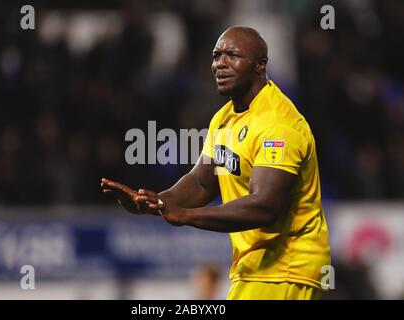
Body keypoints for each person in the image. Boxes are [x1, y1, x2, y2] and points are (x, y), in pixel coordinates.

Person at [101, 26, 331, 300]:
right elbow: (201, 181)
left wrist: (186, 216)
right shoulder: (223, 119)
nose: (219, 63)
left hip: (286, 268)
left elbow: (265, 206)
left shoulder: (279, 124)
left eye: (232, 55)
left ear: (260, 65)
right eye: (216, 55)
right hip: (258, 269)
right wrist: (156, 203)